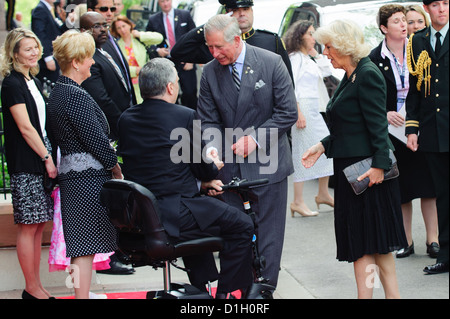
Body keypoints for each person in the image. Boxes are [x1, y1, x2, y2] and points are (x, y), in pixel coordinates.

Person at [117, 58, 254, 299]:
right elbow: (204, 168)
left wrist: (202, 182)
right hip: (173, 210)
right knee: (243, 225)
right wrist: (212, 166)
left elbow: (156, 163)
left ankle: (201, 288)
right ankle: (225, 294)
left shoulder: (126, 118)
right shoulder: (183, 116)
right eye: (177, 82)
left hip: (139, 211)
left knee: (205, 215)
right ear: (170, 87)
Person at [302, 19, 407, 299]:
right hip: (355, 170)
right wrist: (322, 147)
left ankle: (369, 297)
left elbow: (377, 127)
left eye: (329, 47)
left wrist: (378, 168)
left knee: (367, 243)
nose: (325, 52)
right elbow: (350, 125)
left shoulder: (367, 73)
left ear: (346, 46)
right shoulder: (352, 75)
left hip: (367, 173)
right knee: (375, 243)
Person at [196, 15, 297, 296]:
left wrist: (255, 139)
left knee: (269, 236)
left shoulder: (271, 62)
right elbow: (207, 120)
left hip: (268, 166)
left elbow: (287, 112)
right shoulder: (210, 72)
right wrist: (213, 147)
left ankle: (262, 291)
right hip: (228, 168)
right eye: (209, 47)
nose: (214, 54)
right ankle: (237, 290)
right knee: (235, 236)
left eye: (219, 47)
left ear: (237, 40)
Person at [47, 29, 122, 299]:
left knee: (82, 245)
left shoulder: (60, 92)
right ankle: (82, 296)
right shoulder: (74, 95)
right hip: (86, 182)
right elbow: (95, 139)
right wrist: (115, 166)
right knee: (84, 246)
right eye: (89, 57)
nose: (93, 62)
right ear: (77, 62)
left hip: (76, 180)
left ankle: (82, 295)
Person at [369, 4, 439, 259]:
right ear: (384, 28)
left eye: (405, 21)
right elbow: (370, 96)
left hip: (420, 125)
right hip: (392, 130)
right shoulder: (375, 58)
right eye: (397, 21)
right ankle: (405, 240)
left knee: (429, 186)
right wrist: (384, 112)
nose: (403, 25)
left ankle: (433, 239)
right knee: (402, 188)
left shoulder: (421, 49)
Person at [0, 28, 58, 299]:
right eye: (27, 49)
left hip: (39, 156)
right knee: (28, 225)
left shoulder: (29, 80)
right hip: (27, 160)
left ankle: (35, 287)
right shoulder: (11, 83)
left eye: (35, 47)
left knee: (37, 225)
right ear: (14, 54)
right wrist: (47, 159)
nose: (34, 52)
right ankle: (31, 288)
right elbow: (25, 127)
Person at [405, 0, 449, 274]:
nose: (442, 9)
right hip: (433, 130)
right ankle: (445, 253)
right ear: (426, 8)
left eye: (446, 3)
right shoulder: (418, 41)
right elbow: (415, 89)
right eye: (436, 4)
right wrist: (412, 128)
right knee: (442, 195)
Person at [171, 0, 293, 83]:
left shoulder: (272, 42)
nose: (242, 14)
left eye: (246, 9)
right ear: (227, 14)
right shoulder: (217, 46)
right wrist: (209, 25)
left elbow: (286, 79)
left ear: (252, 11)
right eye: (236, 10)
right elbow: (178, 52)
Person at [283, 20, 334, 217]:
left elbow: (328, 71)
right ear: (300, 36)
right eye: (311, 34)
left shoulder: (308, 58)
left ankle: (322, 194)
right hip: (302, 107)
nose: (314, 38)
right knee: (302, 153)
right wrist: (297, 112)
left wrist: (316, 54)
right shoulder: (295, 58)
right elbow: (290, 85)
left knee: (326, 149)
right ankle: (297, 201)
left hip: (313, 108)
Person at [80, 12, 133, 143]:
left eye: (105, 25)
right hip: (111, 126)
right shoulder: (88, 58)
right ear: (83, 31)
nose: (103, 29)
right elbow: (101, 98)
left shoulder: (103, 50)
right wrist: (122, 120)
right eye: (97, 26)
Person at [146, 0, 198, 110]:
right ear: (159, 3)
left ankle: (193, 119)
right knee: (167, 93)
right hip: (166, 62)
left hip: (185, 59)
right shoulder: (153, 19)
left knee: (189, 92)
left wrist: (191, 60)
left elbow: (195, 38)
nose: (165, 4)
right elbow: (147, 41)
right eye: (162, 1)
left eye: (167, 0)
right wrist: (157, 49)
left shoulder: (184, 15)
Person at [87, 0, 137, 108]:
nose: (110, 13)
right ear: (90, 11)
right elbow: (100, 97)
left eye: (112, 9)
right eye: (104, 9)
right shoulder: (91, 44)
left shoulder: (110, 37)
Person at [110, 15, 163, 103]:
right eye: (118, 28)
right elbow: (118, 66)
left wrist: (140, 34)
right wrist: (135, 70)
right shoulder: (117, 45)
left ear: (129, 25)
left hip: (147, 80)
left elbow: (159, 38)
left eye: (124, 26)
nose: (122, 30)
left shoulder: (138, 39)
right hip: (131, 84)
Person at [31, 0, 67, 83]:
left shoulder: (51, 9)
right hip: (47, 58)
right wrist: (47, 58)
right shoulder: (40, 10)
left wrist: (68, 21)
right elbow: (40, 35)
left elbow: (58, 30)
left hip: (55, 55)